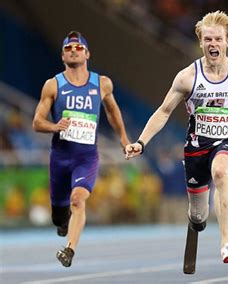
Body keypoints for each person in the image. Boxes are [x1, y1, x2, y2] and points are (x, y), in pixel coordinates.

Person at [125, 11, 228, 263]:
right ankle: (197, 219)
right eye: (208, 40)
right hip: (196, 147)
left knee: (220, 172)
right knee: (198, 215)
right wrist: (141, 142)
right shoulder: (187, 77)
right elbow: (163, 112)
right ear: (201, 42)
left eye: (217, 39)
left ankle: (227, 245)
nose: (213, 44)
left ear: (227, 41)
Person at [32, 31, 130, 267]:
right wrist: (55, 126)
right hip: (60, 157)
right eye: (68, 48)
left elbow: (112, 111)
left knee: (78, 200)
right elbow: (37, 122)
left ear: (87, 53)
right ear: (62, 56)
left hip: (86, 158)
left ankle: (70, 250)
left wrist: (124, 139)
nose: (73, 50)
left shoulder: (102, 83)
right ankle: (62, 222)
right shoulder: (53, 85)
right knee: (58, 216)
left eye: (78, 47)